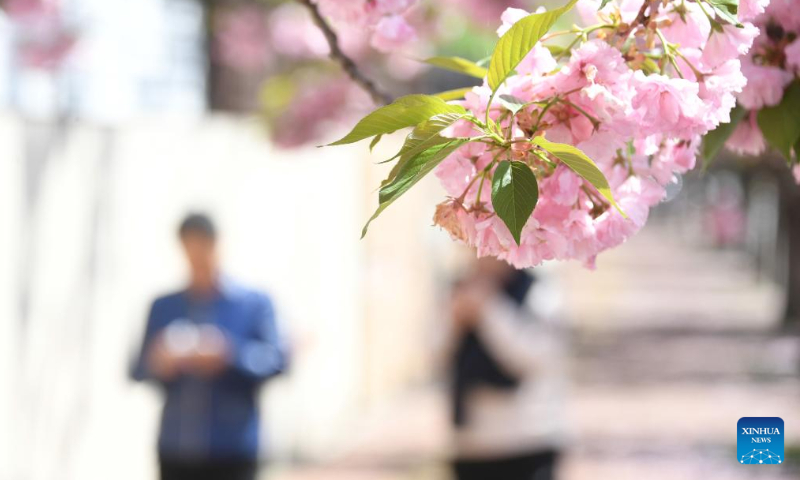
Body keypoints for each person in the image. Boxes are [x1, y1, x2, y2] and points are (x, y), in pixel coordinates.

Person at [132, 213, 288, 480]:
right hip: (176, 449)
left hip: (233, 450)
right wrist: (160, 362)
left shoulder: (253, 304)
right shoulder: (164, 307)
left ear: (216, 245)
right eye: (190, 250)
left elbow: (277, 361)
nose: (197, 259)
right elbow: (137, 370)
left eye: (203, 248)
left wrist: (229, 354)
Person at [442, 257, 568, 480]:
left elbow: (536, 357)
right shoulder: (458, 288)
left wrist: (488, 310)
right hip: (472, 444)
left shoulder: (538, 291)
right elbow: (434, 353)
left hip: (530, 439)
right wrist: (455, 320)